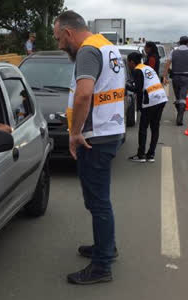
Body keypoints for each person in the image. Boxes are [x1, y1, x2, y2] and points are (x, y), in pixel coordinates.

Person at [54, 10, 125, 285]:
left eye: (59, 38)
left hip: (94, 137)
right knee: (97, 200)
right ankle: (106, 247)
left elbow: (84, 94)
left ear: (69, 33)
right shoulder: (107, 47)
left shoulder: (86, 51)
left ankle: (102, 265)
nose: (60, 45)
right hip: (108, 132)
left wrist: (74, 133)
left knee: (97, 202)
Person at [126, 52, 168, 163]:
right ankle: (151, 155)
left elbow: (138, 89)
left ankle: (141, 155)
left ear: (131, 62)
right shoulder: (147, 67)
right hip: (161, 98)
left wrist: (125, 85)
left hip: (151, 100)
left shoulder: (137, 70)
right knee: (155, 127)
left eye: (128, 62)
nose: (128, 65)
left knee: (143, 127)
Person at [162, 36, 188, 126]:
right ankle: (180, 115)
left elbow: (167, 64)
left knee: (178, 96)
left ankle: (179, 113)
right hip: (186, 77)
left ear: (179, 42)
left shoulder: (173, 52)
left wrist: (165, 76)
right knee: (183, 96)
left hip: (175, 77)